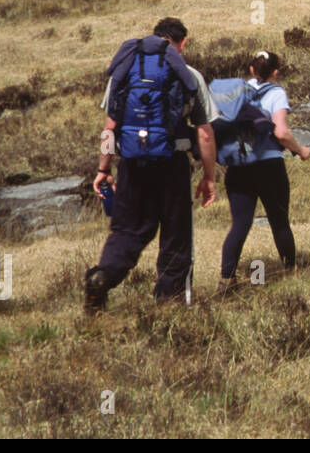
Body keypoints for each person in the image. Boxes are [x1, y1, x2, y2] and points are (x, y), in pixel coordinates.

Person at [86, 17, 217, 314]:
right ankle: (169, 304)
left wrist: (104, 169)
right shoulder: (189, 75)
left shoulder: (124, 71)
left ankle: (104, 275)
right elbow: (205, 133)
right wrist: (209, 176)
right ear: (181, 43)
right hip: (173, 166)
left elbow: (109, 129)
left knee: (127, 231)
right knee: (176, 234)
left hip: (131, 165)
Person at [215, 51, 310, 297]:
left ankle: (226, 281)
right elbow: (281, 133)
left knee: (239, 225)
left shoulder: (238, 92)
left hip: (238, 166)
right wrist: (301, 150)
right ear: (275, 72)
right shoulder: (277, 93)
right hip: (269, 165)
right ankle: (291, 273)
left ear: (251, 69)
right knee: (279, 220)